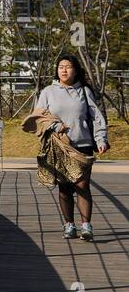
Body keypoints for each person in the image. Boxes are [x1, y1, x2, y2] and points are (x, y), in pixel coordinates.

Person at [24, 54, 109, 241]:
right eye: (61, 66)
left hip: (83, 144)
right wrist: (55, 126)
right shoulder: (48, 92)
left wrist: (101, 139)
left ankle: (86, 225)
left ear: (75, 70)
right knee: (64, 188)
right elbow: (39, 117)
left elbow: (97, 118)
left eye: (68, 66)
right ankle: (69, 225)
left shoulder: (85, 92)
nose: (64, 70)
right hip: (59, 146)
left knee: (82, 185)